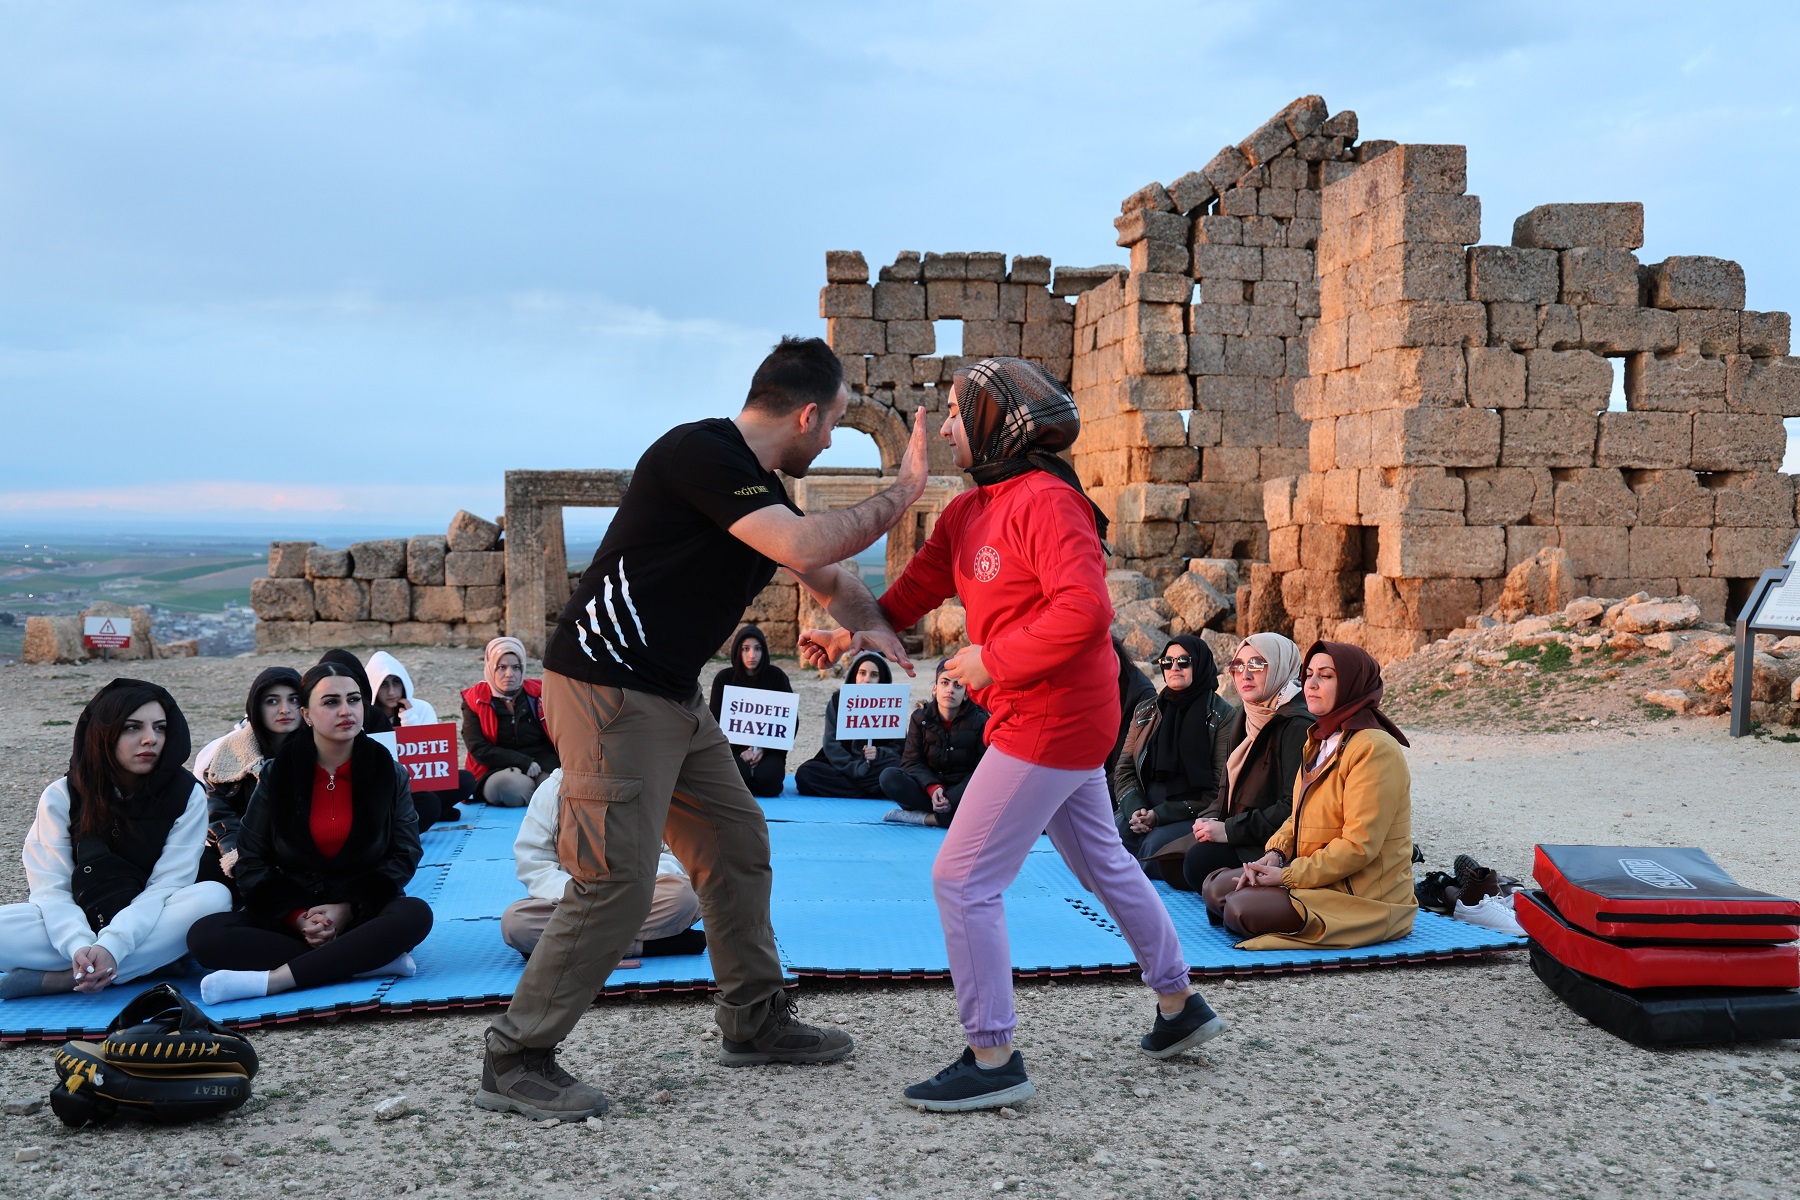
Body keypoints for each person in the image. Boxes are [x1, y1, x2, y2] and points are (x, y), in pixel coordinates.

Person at [478, 335, 930, 1123]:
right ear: (807, 413)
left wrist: (872, 627)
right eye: (834, 427)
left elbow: (831, 577)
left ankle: (753, 1021)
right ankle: (517, 1055)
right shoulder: (700, 452)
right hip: (606, 688)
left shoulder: (761, 493)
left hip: (671, 697)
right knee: (616, 882)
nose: (830, 442)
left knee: (735, 844)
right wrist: (907, 490)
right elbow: (806, 545)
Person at [805, 356, 1225, 1113]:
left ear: (1001, 423)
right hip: (1041, 711)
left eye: (961, 414)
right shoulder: (969, 512)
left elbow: (1085, 613)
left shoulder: (1048, 503)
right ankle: (1178, 1004)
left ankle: (992, 1053)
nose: (950, 428)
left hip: (1056, 713)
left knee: (960, 879)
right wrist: (856, 639)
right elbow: (910, 593)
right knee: (1103, 865)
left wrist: (989, 659)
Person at [186, 661, 432, 1003]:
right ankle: (363, 961)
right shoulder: (277, 773)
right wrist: (299, 918)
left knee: (415, 914)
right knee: (204, 936)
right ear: (307, 714)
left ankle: (276, 980)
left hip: (358, 913)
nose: (346, 710)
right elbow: (251, 859)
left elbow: (405, 854)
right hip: (291, 917)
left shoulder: (388, 772)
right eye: (331, 702)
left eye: (354, 699)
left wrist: (346, 908)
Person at [0, 679, 231, 999]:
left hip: (150, 917)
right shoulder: (61, 796)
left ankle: (65, 979)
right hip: (79, 920)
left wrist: (113, 944)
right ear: (102, 734)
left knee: (213, 898)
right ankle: (147, 964)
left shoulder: (186, 794)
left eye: (161, 728)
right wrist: (79, 943)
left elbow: (166, 886)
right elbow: (51, 891)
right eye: (132, 728)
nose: (150, 739)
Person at [1199, 641, 1417, 949]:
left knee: (1238, 909)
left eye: (1326, 676)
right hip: (1316, 872)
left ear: (1352, 683)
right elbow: (1297, 814)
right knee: (1214, 888)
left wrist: (1286, 876)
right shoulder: (1318, 740)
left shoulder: (1373, 748)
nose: (1311, 684)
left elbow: (1358, 847)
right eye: (1309, 674)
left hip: (1362, 893)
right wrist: (1275, 854)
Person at [501, 769, 706, 961]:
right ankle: (647, 946)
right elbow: (535, 863)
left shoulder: (653, 780)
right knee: (517, 923)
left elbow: (673, 855)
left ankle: (563, 949)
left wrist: (628, 889)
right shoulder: (554, 786)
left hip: (637, 897)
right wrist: (583, 895)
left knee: (685, 897)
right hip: (576, 901)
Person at [1179, 634, 1309, 894]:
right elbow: (1227, 788)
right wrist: (1212, 818)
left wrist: (1228, 830)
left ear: (1281, 666)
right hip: (1242, 826)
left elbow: (1293, 806)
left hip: (1275, 840)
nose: (1244, 674)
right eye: (1238, 666)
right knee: (1166, 859)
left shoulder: (1297, 723)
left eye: (1257, 665)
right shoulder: (1247, 715)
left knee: (1196, 865)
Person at [1112, 636, 1234, 867]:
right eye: (1167, 662)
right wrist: (1135, 808)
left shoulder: (1223, 716)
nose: (1174, 667)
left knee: (1151, 851)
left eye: (1183, 661)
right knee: (1110, 842)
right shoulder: (1147, 710)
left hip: (1190, 812)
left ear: (1199, 664)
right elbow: (1125, 767)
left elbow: (1218, 787)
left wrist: (1159, 815)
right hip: (1143, 805)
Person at [200, 666, 304, 885]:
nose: (285, 709)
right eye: (272, 701)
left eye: (294, 700)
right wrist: (237, 855)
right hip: (246, 853)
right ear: (256, 707)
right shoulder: (232, 749)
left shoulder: (322, 748)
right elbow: (218, 811)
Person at [879, 658, 989, 827]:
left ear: (966, 694)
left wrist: (951, 798)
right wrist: (933, 788)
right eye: (945, 683)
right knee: (889, 777)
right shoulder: (920, 718)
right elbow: (911, 762)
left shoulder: (980, 720)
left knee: (987, 795)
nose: (950, 690)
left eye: (958, 685)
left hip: (962, 794)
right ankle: (949, 817)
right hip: (929, 792)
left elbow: (981, 771)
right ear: (935, 688)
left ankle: (925, 818)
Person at [367, 650, 462, 828]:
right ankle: (433, 812)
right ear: (373, 686)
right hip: (390, 790)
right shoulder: (365, 716)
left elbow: (427, 754)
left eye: (396, 683)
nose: (392, 692)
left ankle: (431, 811)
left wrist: (409, 719)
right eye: (383, 685)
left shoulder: (422, 708)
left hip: (422, 784)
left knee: (464, 781)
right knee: (430, 803)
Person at [462, 637, 559, 808]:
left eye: (516, 667)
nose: (509, 674)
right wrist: (522, 761)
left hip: (540, 762)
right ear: (491, 667)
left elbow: (559, 734)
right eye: (502, 667)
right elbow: (478, 747)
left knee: (554, 787)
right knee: (513, 789)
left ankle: (542, 797)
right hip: (495, 767)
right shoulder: (475, 699)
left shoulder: (540, 694)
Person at [793, 651, 905, 798]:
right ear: (854, 675)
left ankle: (864, 788)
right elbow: (831, 744)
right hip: (843, 766)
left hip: (876, 766)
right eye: (862, 673)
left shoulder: (891, 704)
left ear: (882, 678)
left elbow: (899, 747)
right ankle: (872, 789)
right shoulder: (837, 701)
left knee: (897, 769)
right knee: (806, 774)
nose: (867, 680)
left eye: (874, 675)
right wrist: (854, 767)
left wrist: (879, 753)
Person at [707, 625, 793, 798]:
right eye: (746, 649)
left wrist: (763, 748)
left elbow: (789, 721)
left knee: (770, 783)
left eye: (758, 648)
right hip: (731, 750)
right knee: (739, 783)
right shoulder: (724, 679)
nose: (752, 655)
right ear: (738, 650)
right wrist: (739, 751)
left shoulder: (777, 677)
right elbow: (715, 722)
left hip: (768, 750)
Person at [1107, 636, 1155, 805]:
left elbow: (1132, 761)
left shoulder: (1142, 693)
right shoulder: (1090, 683)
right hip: (1091, 776)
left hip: (1122, 784)